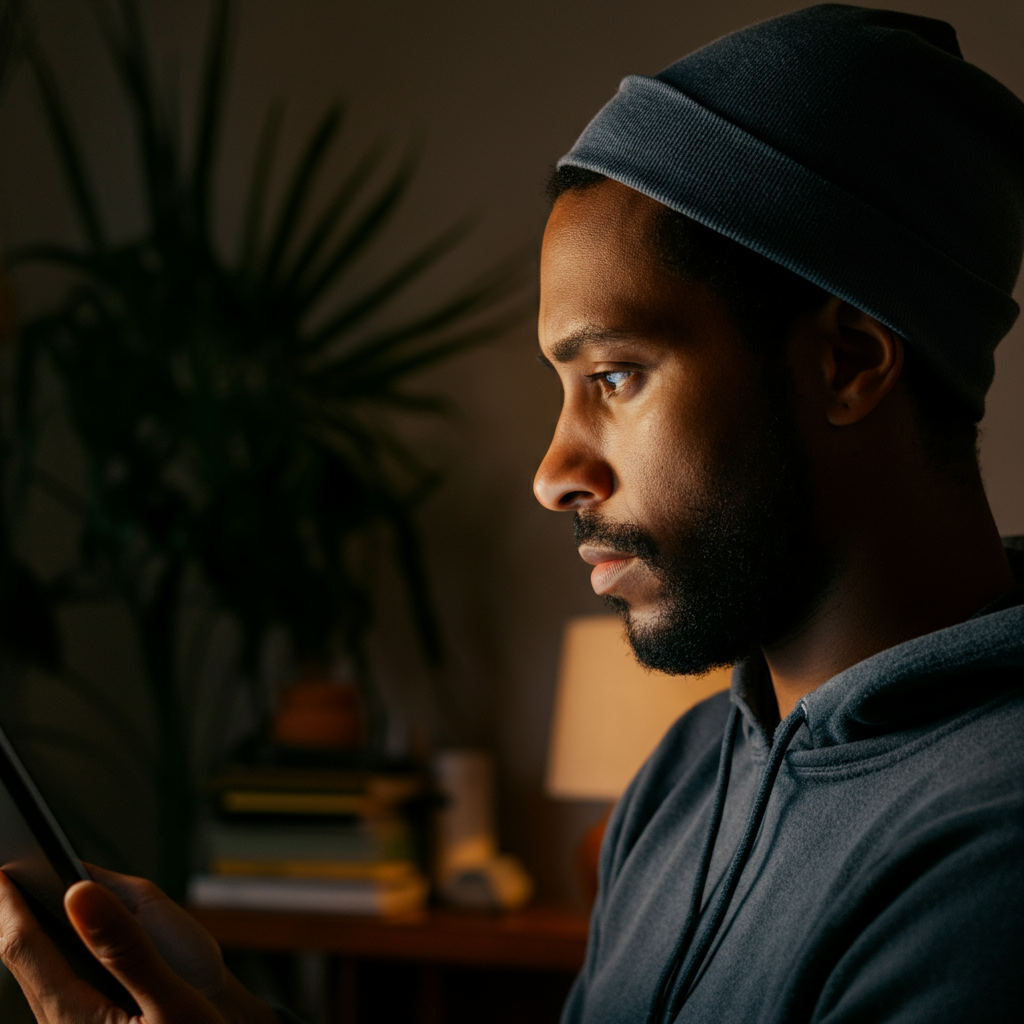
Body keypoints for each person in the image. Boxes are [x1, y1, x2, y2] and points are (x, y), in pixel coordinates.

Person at [0, 4, 1021, 1022]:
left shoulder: (989, 857)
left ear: (846, 362)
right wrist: (223, 1005)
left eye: (615, 376)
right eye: (563, 386)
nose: (552, 472)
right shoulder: (685, 774)